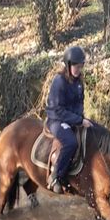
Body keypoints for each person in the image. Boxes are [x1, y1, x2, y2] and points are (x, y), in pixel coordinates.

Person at [44, 45, 92, 193]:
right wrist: (78, 121)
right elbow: (58, 110)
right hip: (56, 119)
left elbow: (79, 103)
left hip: (73, 118)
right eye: (76, 66)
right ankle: (56, 176)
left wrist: (81, 118)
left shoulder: (78, 83)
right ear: (68, 65)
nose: (78, 69)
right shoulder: (59, 82)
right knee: (71, 143)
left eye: (80, 66)